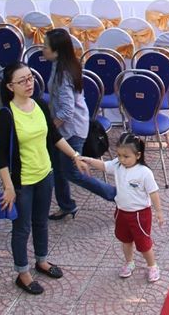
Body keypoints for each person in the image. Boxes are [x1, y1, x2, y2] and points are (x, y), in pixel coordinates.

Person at [0, 62, 91, 295]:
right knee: (22, 227)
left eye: (30, 78)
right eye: (22, 81)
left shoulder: (40, 105)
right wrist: (8, 187)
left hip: (45, 174)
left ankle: (42, 260)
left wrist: (75, 156)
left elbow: (54, 136)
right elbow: (0, 155)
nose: (29, 84)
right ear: (10, 86)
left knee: (41, 222)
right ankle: (23, 273)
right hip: (22, 182)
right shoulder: (6, 115)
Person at [43, 29, 116, 220]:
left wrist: (51, 129)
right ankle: (66, 205)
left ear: (57, 51)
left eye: (46, 46)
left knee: (72, 172)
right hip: (66, 128)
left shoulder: (63, 74)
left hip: (71, 130)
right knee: (58, 169)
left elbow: (66, 111)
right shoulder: (61, 65)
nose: (43, 49)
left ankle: (115, 194)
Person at [82, 133, 165, 281]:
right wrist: (88, 160)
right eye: (119, 155)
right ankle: (129, 263)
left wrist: (158, 211)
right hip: (121, 211)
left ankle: (152, 266)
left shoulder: (144, 172)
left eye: (126, 156)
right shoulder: (117, 165)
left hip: (140, 215)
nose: (121, 159)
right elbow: (104, 166)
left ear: (138, 155)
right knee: (125, 240)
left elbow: (153, 192)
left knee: (144, 243)